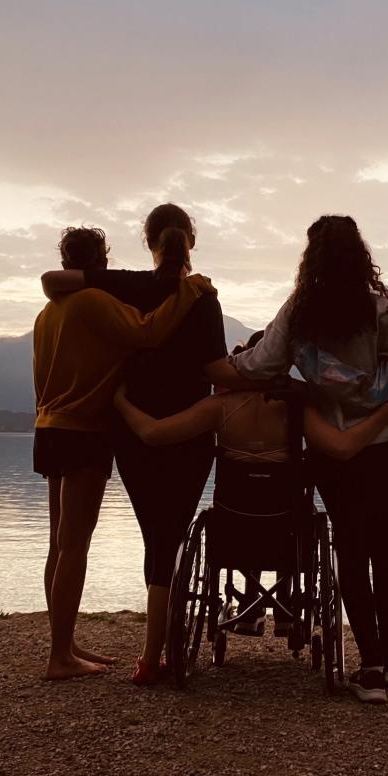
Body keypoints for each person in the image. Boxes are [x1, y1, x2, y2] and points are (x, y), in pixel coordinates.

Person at [221, 215, 388, 704]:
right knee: (386, 551)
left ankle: (370, 667)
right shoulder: (378, 312)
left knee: (351, 551)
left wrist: (218, 366)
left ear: (311, 258)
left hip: (332, 452)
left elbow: (259, 364)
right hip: (384, 446)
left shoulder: (299, 312)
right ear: (360, 255)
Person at [40, 203, 230, 686]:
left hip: (68, 427)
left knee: (62, 542)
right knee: (81, 545)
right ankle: (69, 654)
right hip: (104, 429)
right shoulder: (104, 300)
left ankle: (64, 642)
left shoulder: (56, 310)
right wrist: (190, 292)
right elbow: (150, 334)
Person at [114, 332, 388, 638]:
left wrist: (119, 402)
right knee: (295, 510)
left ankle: (250, 605)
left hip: (233, 521)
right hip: (285, 524)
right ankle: (285, 608)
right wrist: (385, 413)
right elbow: (343, 447)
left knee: (245, 515)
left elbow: (152, 433)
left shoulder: (219, 406)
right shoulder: (296, 409)